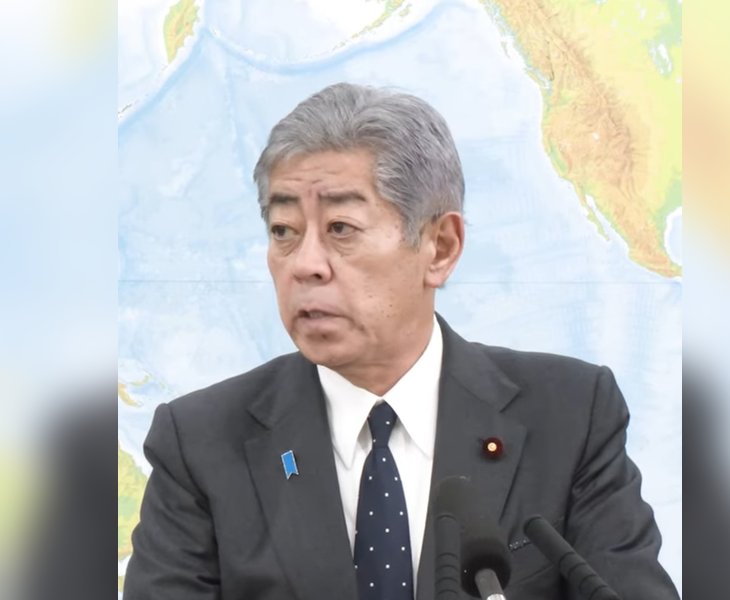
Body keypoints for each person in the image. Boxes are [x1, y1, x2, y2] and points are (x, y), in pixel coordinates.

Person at [124, 82, 679, 600]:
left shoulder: (569, 415)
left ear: (440, 247)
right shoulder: (200, 444)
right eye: (284, 232)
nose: (306, 265)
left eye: (341, 229)